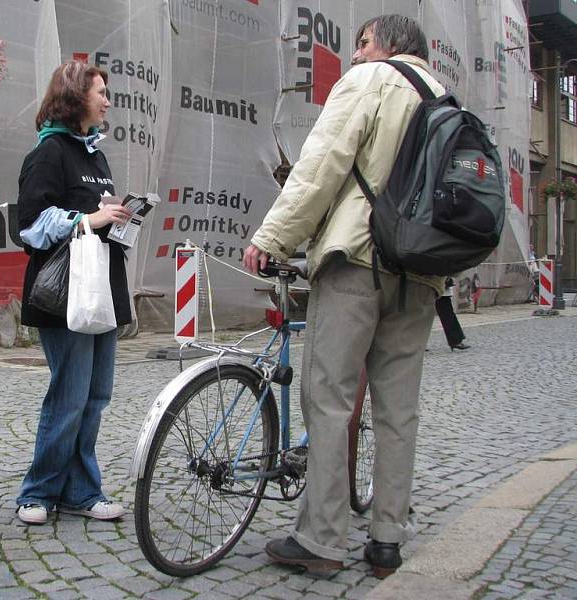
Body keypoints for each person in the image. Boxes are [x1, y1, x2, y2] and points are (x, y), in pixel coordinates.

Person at [243, 15, 444, 579]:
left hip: (359, 258)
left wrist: (273, 237)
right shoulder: (444, 98)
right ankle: (386, 541)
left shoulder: (371, 81)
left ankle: (323, 541)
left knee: (328, 398)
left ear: (391, 47)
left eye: (363, 42)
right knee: (398, 410)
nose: (356, 54)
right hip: (423, 272)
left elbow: (320, 165)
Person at [14, 61, 132, 525]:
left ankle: (81, 491)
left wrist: (120, 217)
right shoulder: (49, 153)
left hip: (102, 287)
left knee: (96, 395)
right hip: (65, 293)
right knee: (69, 394)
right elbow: (30, 227)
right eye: (100, 92)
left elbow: (96, 215)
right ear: (75, 96)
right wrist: (89, 220)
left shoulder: (95, 156)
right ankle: (38, 492)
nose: (107, 100)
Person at [436, 278, 469, 350]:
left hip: (440, 285)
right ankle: (455, 341)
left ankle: (455, 340)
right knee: (447, 315)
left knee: (448, 315)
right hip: (431, 283)